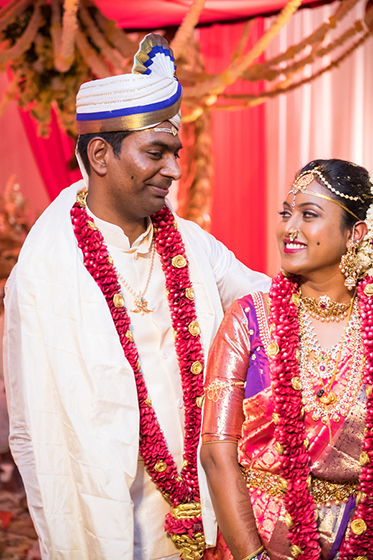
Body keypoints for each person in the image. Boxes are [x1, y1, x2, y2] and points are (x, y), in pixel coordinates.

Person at [3, 33, 270, 560]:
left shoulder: (191, 244)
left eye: (175, 153)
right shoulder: (45, 271)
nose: (173, 170)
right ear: (100, 154)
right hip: (108, 513)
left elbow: (269, 303)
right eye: (156, 152)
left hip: (201, 495)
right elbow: (37, 430)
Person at [201, 158, 373, 560]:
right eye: (285, 213)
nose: (288, 228)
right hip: (257, 537)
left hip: (358, 538)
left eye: (308, 215)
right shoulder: (248, 319)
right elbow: (216, 453)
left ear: (355, 234)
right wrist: (253, 556)